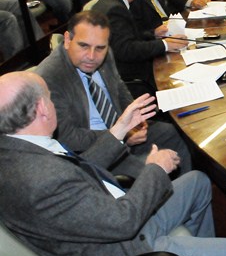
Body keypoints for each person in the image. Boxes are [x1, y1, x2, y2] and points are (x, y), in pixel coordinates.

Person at [0, 71, 226, 256]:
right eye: (50, 97)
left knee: (198, 181)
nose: (53, 103)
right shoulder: (40, 178)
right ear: (42, 108)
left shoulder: (19, 147)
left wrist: (119, 130)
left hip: (108, 221)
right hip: (126, 253)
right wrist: (155, 169)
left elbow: (77, 171)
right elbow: (122, 222)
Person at [35, 10, 192, 174]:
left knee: (172, 133)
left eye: (100, 48)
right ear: (67, 40)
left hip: (121, 130)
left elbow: (119, 88)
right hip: (91, 151)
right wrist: (119, 134)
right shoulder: (49, 78)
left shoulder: (106, 53)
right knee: (155, 169)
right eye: (84, 46)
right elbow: (68, 137)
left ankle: (183, 185)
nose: (91, 56)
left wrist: (134, 119)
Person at [93, 0, 188, 95]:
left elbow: (124, 37)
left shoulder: (108, 1)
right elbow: (127, 49)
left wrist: (153, 33)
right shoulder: (116, 9)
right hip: (129, 74)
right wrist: (165, 45)